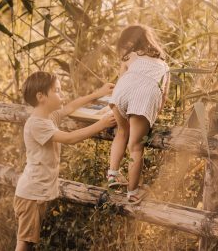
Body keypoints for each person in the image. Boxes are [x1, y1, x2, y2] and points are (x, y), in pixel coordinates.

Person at [14, 71, 116, 251]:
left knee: (28, 242)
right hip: (31, 194)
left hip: (36, 193)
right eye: (57, 91)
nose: (62, 95)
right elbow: (70, 138)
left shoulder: (48, 117)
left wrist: (98, 94)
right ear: (41, 97)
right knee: (24, 242)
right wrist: (102, 124)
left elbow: (69, 107)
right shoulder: (37, 124)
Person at [108, 24, 170, 204]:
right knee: (136, 146)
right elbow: (163, 95)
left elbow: (122, 81)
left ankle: (112, 173)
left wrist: (116, 105)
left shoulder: (129, 57)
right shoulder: (164, 65)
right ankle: (133, 192)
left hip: (121, 93)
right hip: (145, 96)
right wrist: (152, 114)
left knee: (121, 132)